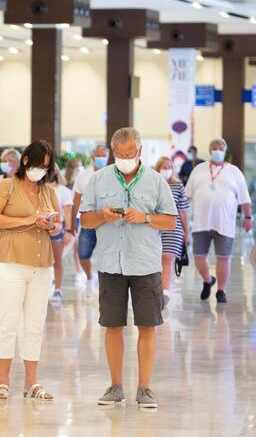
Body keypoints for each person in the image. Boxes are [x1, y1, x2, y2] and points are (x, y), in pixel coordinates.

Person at [80, 127, 177, 409]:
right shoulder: (98, 180)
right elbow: (85, 220)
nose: (125, 159)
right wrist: (101, 215)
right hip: (111, 262)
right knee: (112, 326)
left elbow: (170, 221)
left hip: (145, 263)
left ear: (140, 152)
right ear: (113, 153)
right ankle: (116, 386)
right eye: (120, 155)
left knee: (147, 325)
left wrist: (146, 217)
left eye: (130, 154)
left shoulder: (157, 181)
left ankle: (144, 388)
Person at [0, 140, 62, 403]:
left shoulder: (48, 192)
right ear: (27, 161)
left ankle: (32, 382)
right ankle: (3, 382)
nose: (42, 171)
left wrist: (52, 226)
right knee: (8, 323)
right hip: (8, 263)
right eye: (40, 165)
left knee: (35, 324)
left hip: (41, 266)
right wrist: (28, 220)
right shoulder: (7, 186)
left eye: (47, 167)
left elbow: (58, 225)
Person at [185, 138, 253, 303]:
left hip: (225, 223)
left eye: (220, 148)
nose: (217, 150)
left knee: (224, 257)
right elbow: (186, 196)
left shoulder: (234, 172)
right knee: (198, 256)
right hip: (201, 222)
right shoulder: (198, 170)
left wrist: (248, 217)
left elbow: (245, 198)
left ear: (225, 150)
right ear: (209, 151)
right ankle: (208, 280)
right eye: (214, 148)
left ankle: (221, 290)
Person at [71, 144, 109, 292]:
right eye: (98, 156)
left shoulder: (113, 175)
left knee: (108, 256)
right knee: (82, 254)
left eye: (103, 156)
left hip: (108, 222)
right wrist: (73, 221)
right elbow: (76, 199)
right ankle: (89, 277)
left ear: (108, 157)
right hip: (88, 220)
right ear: (93, 157)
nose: (100, 159)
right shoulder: (84, 175)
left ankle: (107, 283)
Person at [153, 156, 190, 306]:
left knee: (167, 258)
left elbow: (183, 210)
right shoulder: (150, 185)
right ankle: (155, 290)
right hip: (154, 226)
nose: (166, 170)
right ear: (158, 168)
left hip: (174, 227)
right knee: (155, 260)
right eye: (164, 167)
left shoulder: (178, 186)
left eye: (169, 167)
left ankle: (165, 292)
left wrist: (186, 232)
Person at [48, 165, 74, 303]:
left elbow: (68, 213)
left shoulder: (63, 191)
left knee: (57, 261)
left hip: (57, 228)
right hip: (40, 228)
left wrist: (68, 231)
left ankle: (57, 289)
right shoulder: (37, 188)